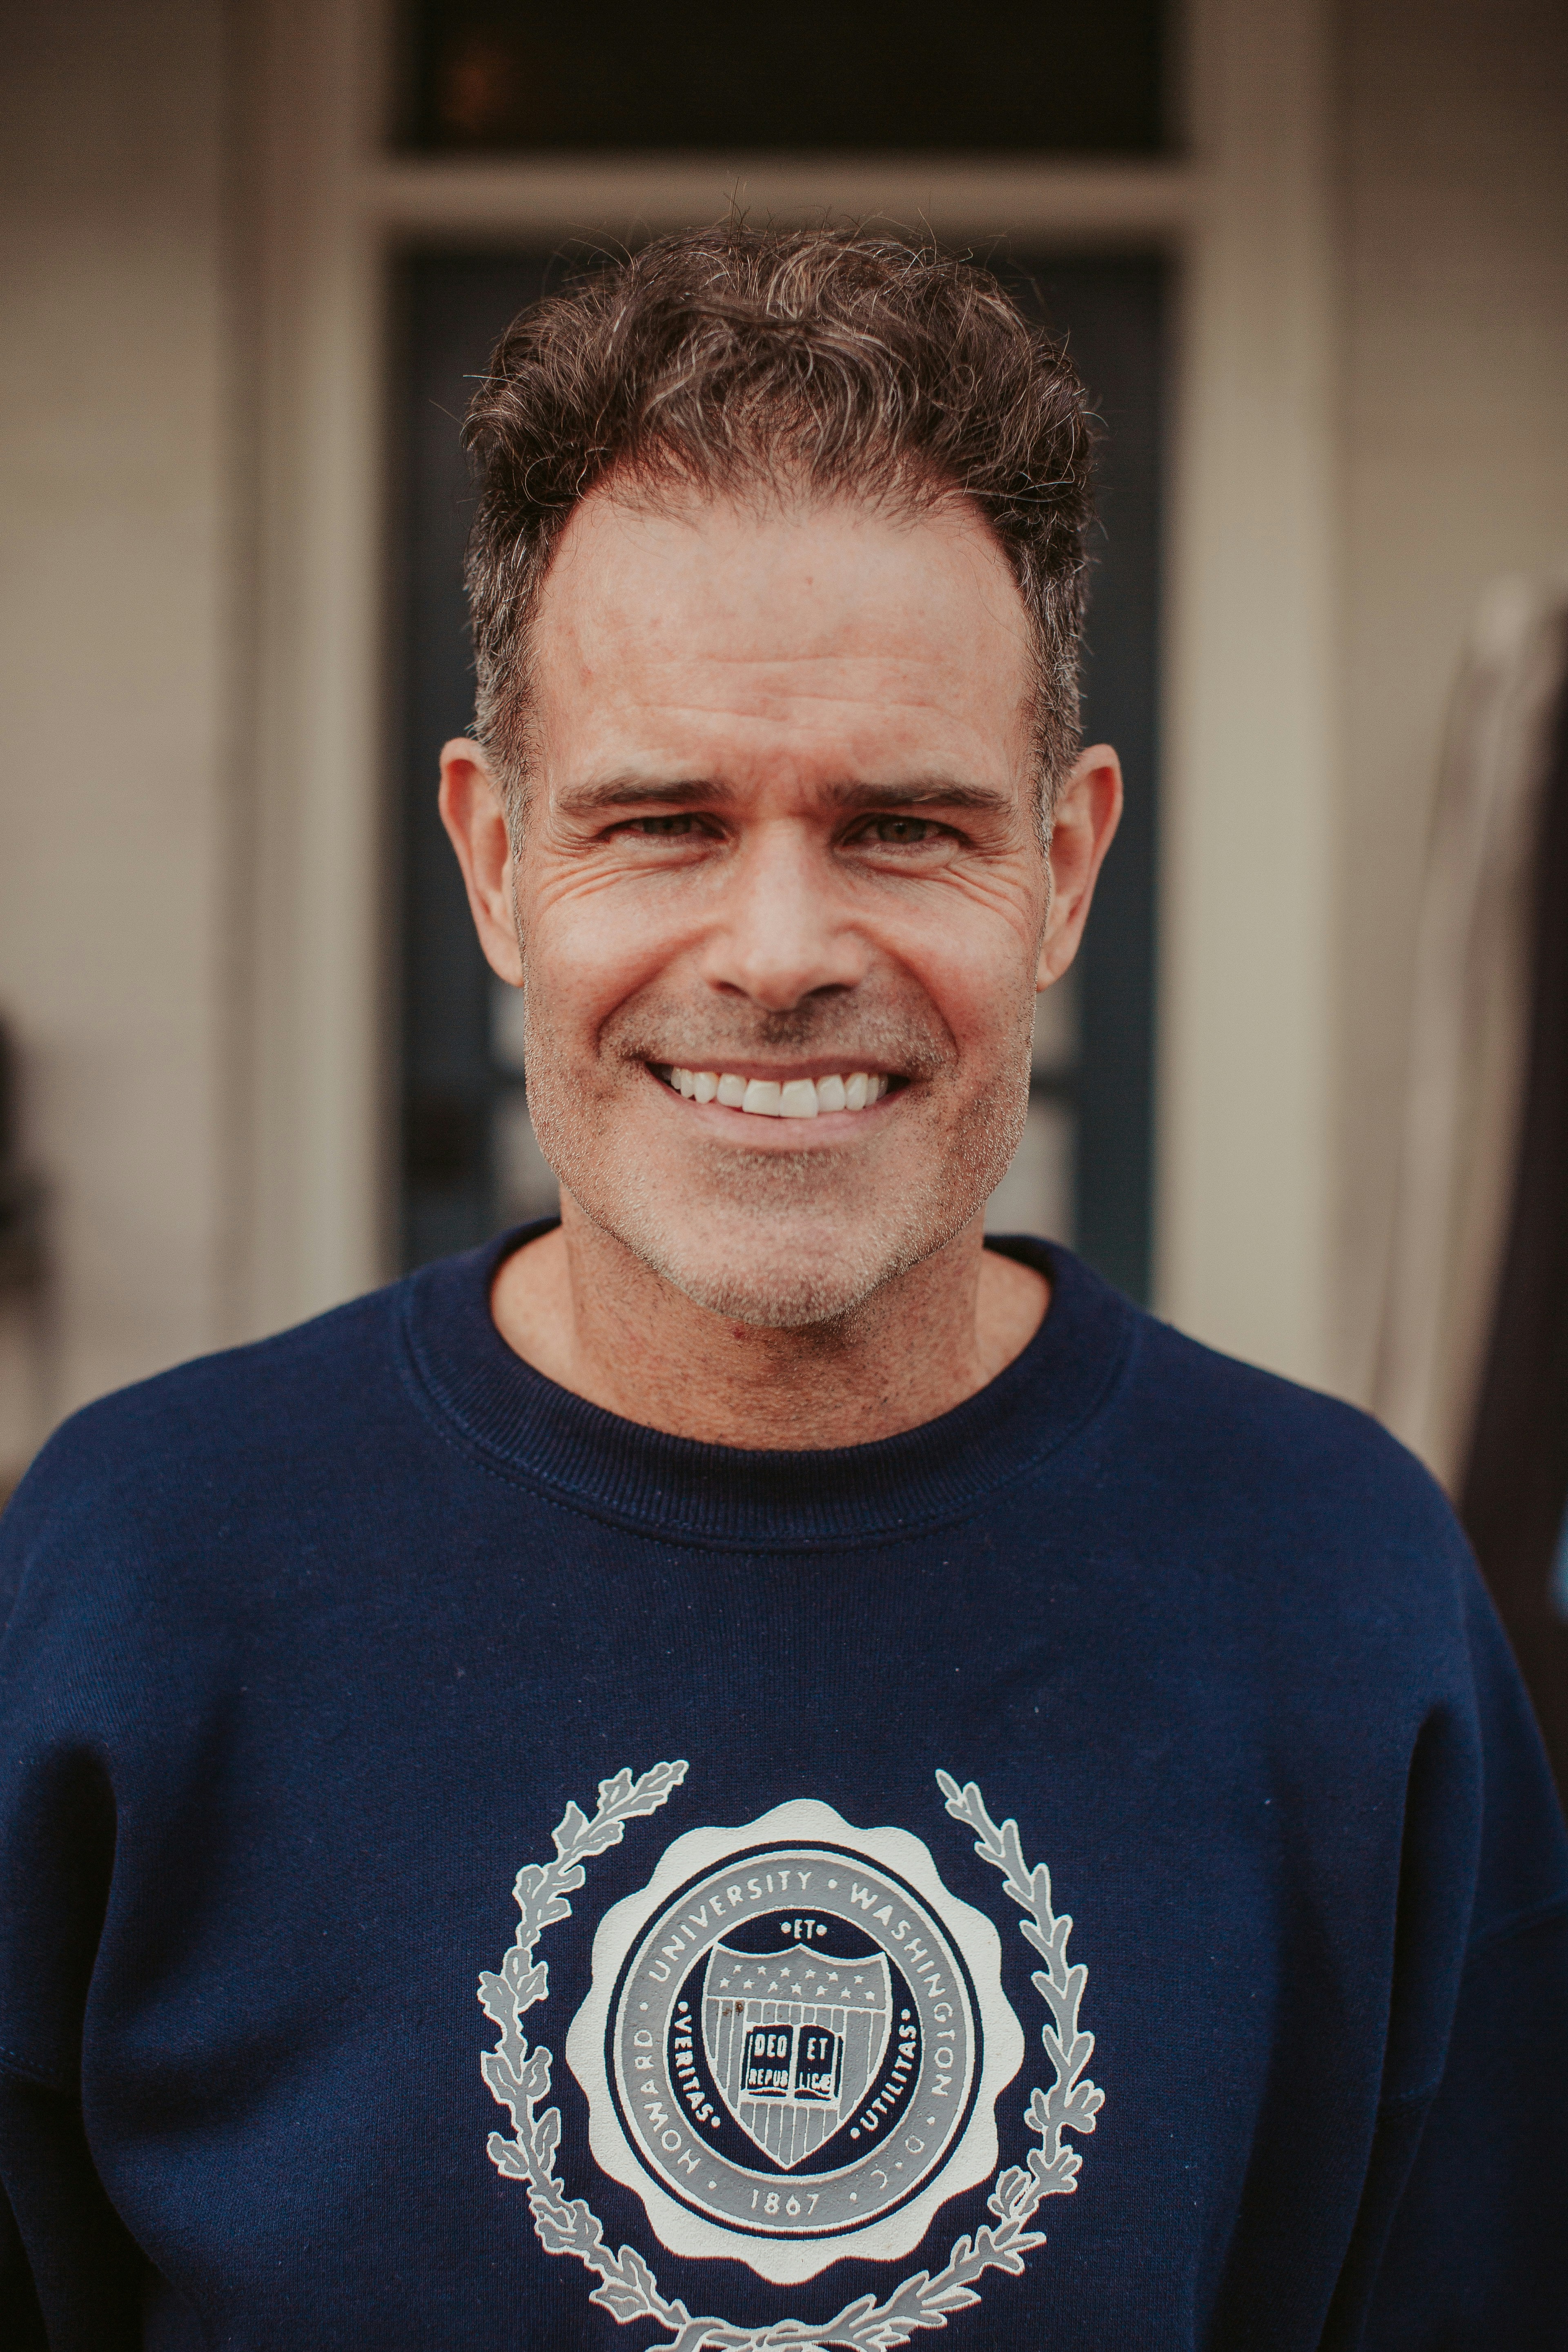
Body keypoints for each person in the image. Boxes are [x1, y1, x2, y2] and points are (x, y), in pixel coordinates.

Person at [1, 227, 1564, 2352]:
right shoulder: (138, 1573)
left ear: (1064, 869)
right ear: (496, 861)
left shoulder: (1349, 1599)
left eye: (904, 827)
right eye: (661, 822)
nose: (777, 951)